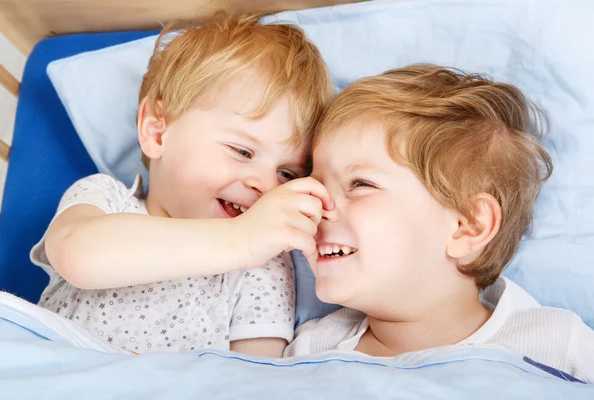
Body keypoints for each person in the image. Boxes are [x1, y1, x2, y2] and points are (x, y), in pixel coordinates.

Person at [30, 12, 334, 357]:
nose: (265, 184)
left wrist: (253, 243)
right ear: (157, 132)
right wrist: (242, 236)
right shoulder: (105, 198)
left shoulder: (262, 263)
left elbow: (256, 377)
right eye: (242, 151)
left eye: (287, 175)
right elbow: (77, 255)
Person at [285, 65, 594, 383]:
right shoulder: (312, 351)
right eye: (313, 184)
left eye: (360, 183)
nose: (316, 204)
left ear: (468, 226)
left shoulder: (557, 345)